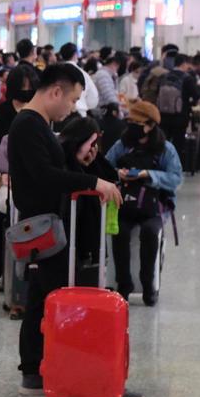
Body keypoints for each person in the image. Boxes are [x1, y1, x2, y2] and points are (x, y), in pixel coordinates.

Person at [6, 63, 127, 396]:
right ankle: (63, 372)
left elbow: (51, 169)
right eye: (72, 100)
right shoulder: (28, 125)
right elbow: (45, 176)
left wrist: (83, 166)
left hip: (49, 225)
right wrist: (93, 182)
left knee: (42, 297)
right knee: (56, 299)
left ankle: (36, 369)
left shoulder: (38, 124)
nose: (72, 108)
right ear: (55, 92)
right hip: (44, 226)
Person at [106, 101, 183, 305]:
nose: (132, 126)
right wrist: (118, 173)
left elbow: (176, 179)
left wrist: (148, 174)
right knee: (119, 231)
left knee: (150, 232)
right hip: (125, 204)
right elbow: (104, 167)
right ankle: (123, 283)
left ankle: (148, 284)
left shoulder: (166, 149)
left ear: (150, 125)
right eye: (130, 122)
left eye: (137, 123)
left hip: (155, 207)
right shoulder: (122, 145)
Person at [0, 64, 38, 286]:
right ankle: (3, 273)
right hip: (2, 175)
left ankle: (24, 272)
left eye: (30, 86)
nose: (26, 91)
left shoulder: (37, 110)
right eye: (23, 86)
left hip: (29, 176)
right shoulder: (3, 111)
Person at [58, 116, 119, 287]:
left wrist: (87, 163)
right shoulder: (60, 162)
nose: (93, 149)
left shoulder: (86, 164)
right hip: (64, 238)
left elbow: (109, 177)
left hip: (82, 243)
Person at [157, 53, 200, 168]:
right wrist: (191, 103)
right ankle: (175, 167)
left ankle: (161, 165)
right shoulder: (187, 78)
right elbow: (196, 96)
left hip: (163, 116)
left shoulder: (164, 76)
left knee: (163, 142)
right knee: (178, 144)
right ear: (184, 64)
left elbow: (157, 94)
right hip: (180, 116)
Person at [58, 43, 98, 117]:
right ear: (75, 54)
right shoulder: (83, 74)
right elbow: (93, 98)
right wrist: (83, 103)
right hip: (80, 112)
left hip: (58, 113)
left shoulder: (56, 72)